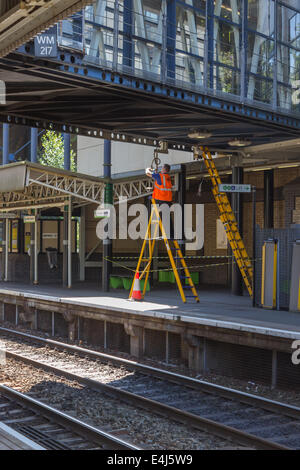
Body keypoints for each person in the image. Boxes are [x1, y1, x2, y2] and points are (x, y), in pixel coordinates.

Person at [146, 164, 175, 239]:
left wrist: (149, 169)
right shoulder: (168, 177)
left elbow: (148, 173)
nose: (161, 169)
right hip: (168, 200)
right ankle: (171, 235)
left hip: (160, 200)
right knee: (168, 217)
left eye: (162, 168)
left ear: (164, 169)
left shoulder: (159, 176)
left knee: (163, 217)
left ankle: (167, 234)